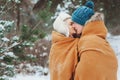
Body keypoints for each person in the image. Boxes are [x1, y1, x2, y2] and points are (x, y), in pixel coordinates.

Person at [49, 1, 97, 80]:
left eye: (74, 23)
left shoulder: (79, 40)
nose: (74, 26)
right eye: (71, 24)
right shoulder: (59, 45)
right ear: (64, 28)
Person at [71, 1, 118, 80]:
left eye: (74, 22)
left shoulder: (89, 41)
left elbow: (87, 71)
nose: (72, 25)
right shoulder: (99, 40)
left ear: (83, 23)